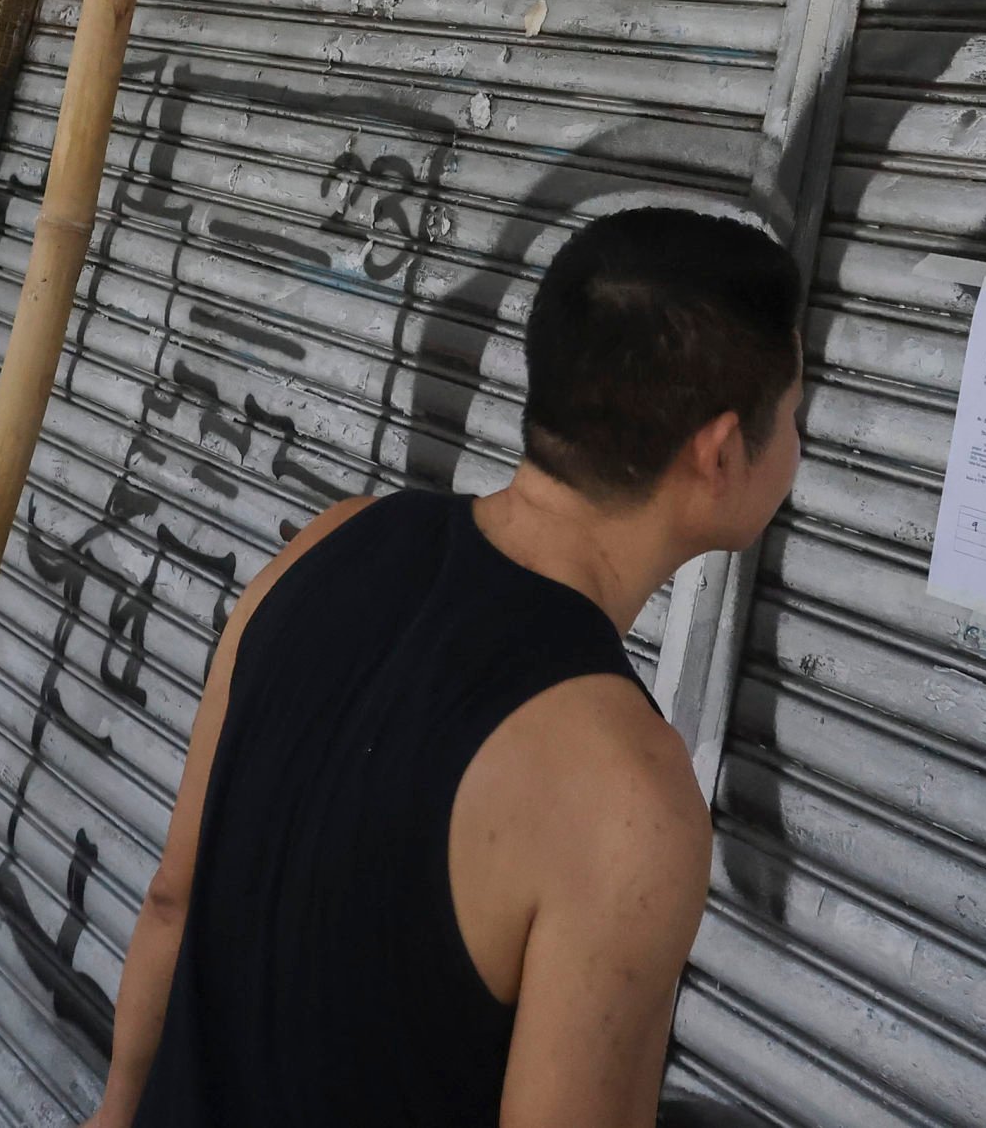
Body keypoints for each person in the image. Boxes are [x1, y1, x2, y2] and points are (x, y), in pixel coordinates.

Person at [88, 208, 804, 1128]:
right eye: (791, 418)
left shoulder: (327, 543)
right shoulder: (630, 793)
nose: (798, 450)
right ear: (715, 454)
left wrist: (113, 1113)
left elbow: (169, 903)